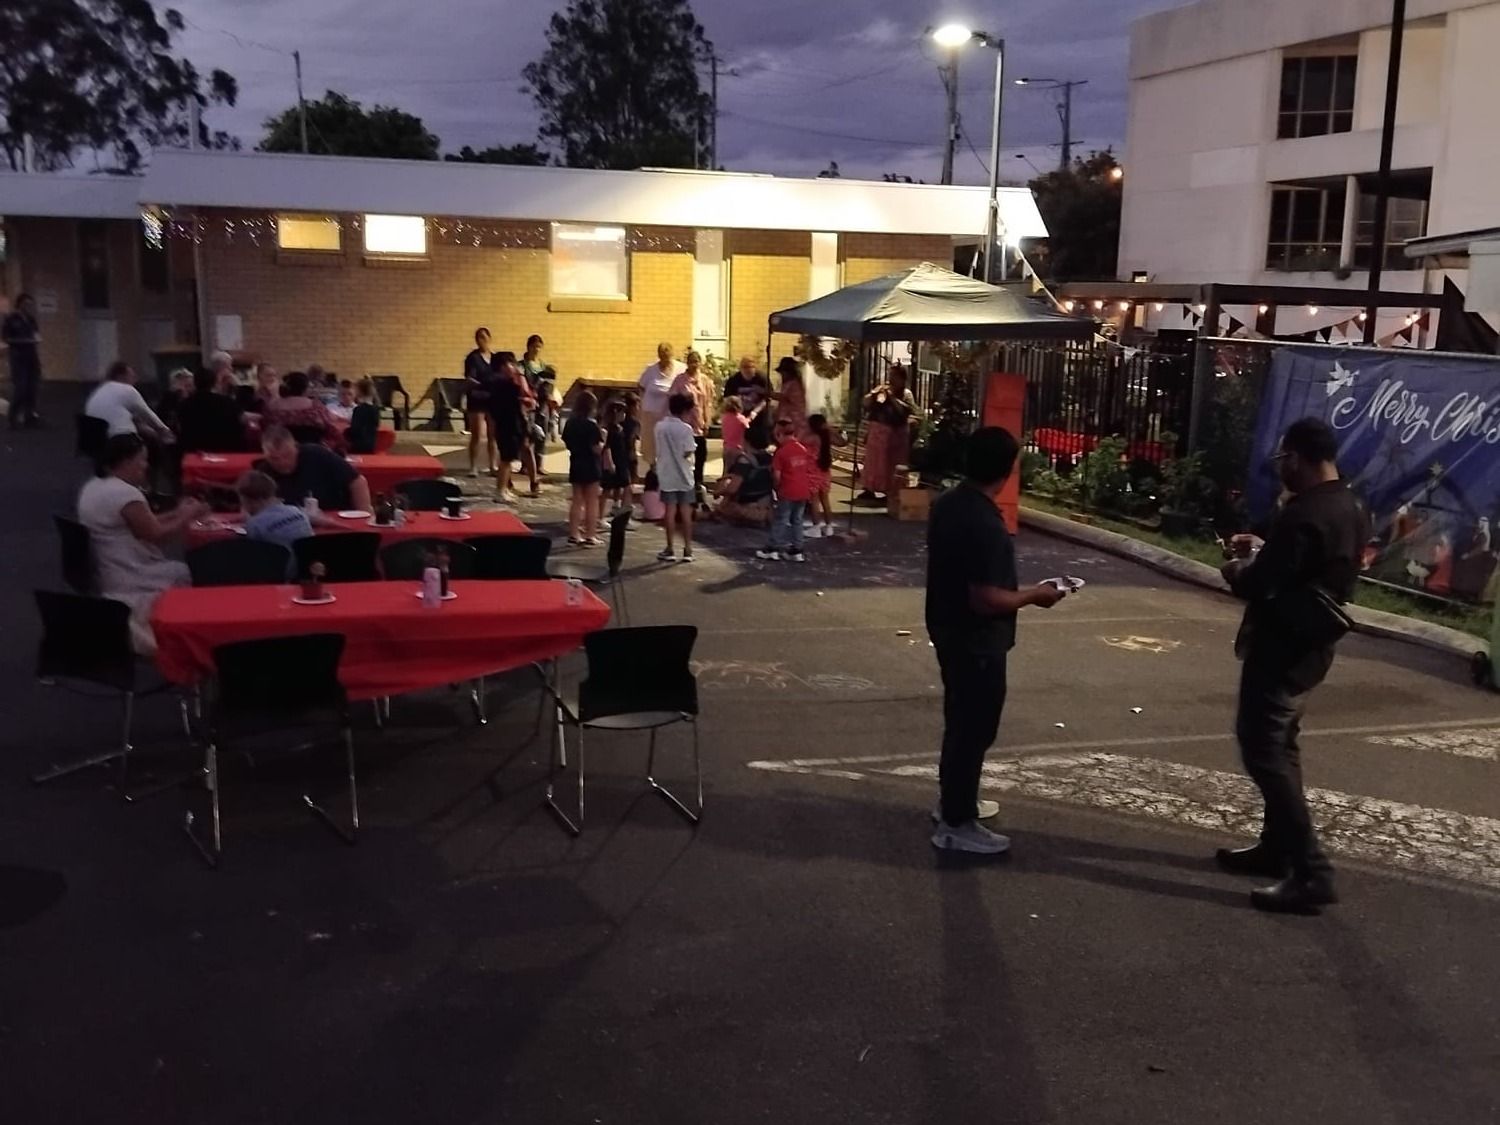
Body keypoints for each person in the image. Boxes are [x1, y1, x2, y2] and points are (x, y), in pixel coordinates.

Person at [1216, 417, 1370, 914]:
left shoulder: (1303, 514)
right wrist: (1263, 553)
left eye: (1283, 460)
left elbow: (1262, 584)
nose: (1281, 468)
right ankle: (1277, 847)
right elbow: (1302, 568)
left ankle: (1311, 870)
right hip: (1312, 648)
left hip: (1280, 649)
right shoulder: (1348, 505)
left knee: (1264, 751)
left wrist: (1237, 569)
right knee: (1283, 747)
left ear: (1299, 458)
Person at [926, 428, 1065, 854]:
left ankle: (955, 801)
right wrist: (1035, 594)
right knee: (974, 728)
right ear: (1007, 470)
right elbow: (986, 598)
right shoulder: (986, 524)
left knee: (960, 722)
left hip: (948, 629)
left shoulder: (948, 504)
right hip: (976, 640)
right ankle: (956, 822)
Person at [77, 433, 204, 654]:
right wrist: (188, 516)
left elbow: (142, 524)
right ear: (127, 462)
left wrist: (178, 512)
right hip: (127, 572)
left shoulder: (95, 486)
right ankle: (185, 637)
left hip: (106, 567)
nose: (145, 466)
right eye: (142, 460)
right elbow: (157, 535)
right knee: (189, 572)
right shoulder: (125, 494)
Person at [256, 424, 371, 514]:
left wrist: (363, 517)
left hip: (333, 517)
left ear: (296, 446)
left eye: (287, 455)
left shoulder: (316, 454)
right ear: (265, 455)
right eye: (274, 458)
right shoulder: (263, 472)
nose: (282, 462)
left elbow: (358, 482)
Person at [236, 469, 315, 578]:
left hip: (280, 573)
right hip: (310, 569)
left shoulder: (255, 524)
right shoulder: (296, 511)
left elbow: (253, 556)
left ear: (249, 501)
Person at [756, 417, 814, 563]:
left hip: (788, 490)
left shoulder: (781, 452)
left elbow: (777, 475)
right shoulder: (802, 449)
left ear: (780, 434)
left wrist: (776, 489)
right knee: (797, 520)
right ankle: (797, 549)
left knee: (781, 519)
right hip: (803, 490)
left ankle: (773, 548)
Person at [859, 363, 919, 501]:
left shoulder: (906, 394)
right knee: (874, 462)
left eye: (894, 376)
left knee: (891, 463)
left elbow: (906, 411)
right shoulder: (882, 390)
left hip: (896, 433)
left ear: (902, 379)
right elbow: (866, 403)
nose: (891, 379)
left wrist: (892, 397)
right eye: (890, 375)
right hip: (879, 431)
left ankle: (891, 491)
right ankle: (869, 488)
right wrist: (874, 393)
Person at [654, 392, 698, 563]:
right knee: (686, 513)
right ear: (686, 411)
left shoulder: (660, 426)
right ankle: (688, 549)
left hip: (666, 474)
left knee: (669, 512)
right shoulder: (686, 429)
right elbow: (688, 450)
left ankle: (670, 548)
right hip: (685, 475)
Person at [487, 351, 536, 502]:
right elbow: (520, 395)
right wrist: (520, 378)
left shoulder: (503, 382)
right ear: (502, 367)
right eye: (510, 364)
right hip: (507, 424)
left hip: (511, 422)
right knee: (506, 459)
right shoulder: (503, 383)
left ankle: (504, 489)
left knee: (508, 459)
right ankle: (500, 491)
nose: (513, 367)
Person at [84, 360, 173, 441]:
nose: (135, 380)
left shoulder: (99, 390)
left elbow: (135, 419)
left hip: (96, 441)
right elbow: (147, 415)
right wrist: (166, 431)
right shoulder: (127, 389)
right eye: (132, 376)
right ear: (121, 377)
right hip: (120, 439)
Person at [670, 349, 716, 502]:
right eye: (691, 362)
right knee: (685, 455)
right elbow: (673, 398)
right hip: (684, 423)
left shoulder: (705, 381)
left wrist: (708, 420)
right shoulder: (680, 380)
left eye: (696, 362)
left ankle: (698, 483)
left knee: (701, 455)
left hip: (700, 423)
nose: (694, 365)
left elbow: (708, 402)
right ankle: (683, 482)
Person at [563, 390, 605, 546]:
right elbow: (596, 448)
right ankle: (590, 534)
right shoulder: (592, 425)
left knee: (576, 500)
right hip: (591, 464)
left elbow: (567, 442)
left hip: (576, 461)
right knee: (591, 502)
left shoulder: (570, 423)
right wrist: (603, 442)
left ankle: (574, 533)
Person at [712, 428, 774, 528]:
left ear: (747, 441)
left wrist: (718, 492)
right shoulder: (769, 458)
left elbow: (732, 489)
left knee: (726, 490)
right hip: (765, 502)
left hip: (747, 504)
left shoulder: (745, 460)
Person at [176, 367, 246, 452]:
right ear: (214, 382)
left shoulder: (184, 404)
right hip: (226, 451)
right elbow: (241, 423)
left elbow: (181, 429)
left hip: (194, 452)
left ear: (195, 383)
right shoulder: (227, 402)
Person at [637, 342, 683, 469]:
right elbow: (641, 386)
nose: (664, 360)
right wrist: (642, 403)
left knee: (669, 443)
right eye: (662, 356)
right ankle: (653, 469)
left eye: (667, 357)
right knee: (652, 444)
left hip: (671, 414)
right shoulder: (651, 370)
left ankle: (668, 468)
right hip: (651, 413)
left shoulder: (680, 369)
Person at [3, 292, 43, 429]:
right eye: (26, 304)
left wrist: (36, 339)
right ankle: (13, 418)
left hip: (32, 357)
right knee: (20, 388)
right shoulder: (11, 319)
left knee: (32, 389)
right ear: (19, 304)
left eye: (30, 305)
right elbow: (6, 338)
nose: (29, 307)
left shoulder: (31, 320)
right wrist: (24, 341)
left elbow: (36, 334)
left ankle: (29, 416)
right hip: (18, 358)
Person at [265, 370, 339, 442]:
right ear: (305, 389)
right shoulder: (315, 406)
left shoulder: (272, 407)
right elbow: (328, 426)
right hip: (312, 448)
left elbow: (265, 428)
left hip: (279, 447)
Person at [464, 327, 498, 478]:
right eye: (478, 338)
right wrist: (483, 384)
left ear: (489, 339)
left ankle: (493, 465)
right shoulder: (473, 358)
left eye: (484, 337)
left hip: (492, 399)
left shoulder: (495, 359)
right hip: (477, 398)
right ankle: (473, 466)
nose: (481, 341)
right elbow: (469, 378)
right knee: (477, 434)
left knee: (493, 434)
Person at [806, 413, 846, 538]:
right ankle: (829, 526)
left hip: (813, 471)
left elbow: (798, 440)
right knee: (825, 499)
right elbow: (842, 442)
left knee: (814, 500)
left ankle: (816, 527)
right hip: (825, 470)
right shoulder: (826, 437)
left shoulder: (812, 438)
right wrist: (830, 429)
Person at [724, 355, 771, 448]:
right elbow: (728, 399)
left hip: (759, 420)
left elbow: (767, 398)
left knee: (759, 447)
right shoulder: (734, 380)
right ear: (740, 368)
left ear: (755, 367)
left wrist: (754, 413)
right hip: (739, 419)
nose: (748, 370)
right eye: (745, 367)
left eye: (750, 367)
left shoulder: (761, 378)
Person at [520, 334, 558, 442]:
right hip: (531, 393)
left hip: (543, 397)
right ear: (528, 347)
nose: (536, 349)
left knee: (548, 384)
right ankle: (550, 420)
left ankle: (551, 420)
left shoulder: (542, 365)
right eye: (534, 346)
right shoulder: (523, 364)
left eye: (539, 347)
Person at [601, 398, 633, 515]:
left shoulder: (620, 428)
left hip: (621, 460)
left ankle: (617, 508)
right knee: (608, 489)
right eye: (622, 412)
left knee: (621, 486)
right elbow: (607, 446)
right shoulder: (610, 429)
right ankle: (601, 516)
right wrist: (610, 462)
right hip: (614, 461)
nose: (624, 415)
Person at [773, 355, 808, 438]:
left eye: (783, 372)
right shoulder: (787, 384)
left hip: (793, 421)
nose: (782, 375)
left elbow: (783, 397)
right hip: (786, 420)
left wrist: (767, 393)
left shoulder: (794, 384)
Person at [345, 379, 381, 455]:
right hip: (371, 444)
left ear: (359, 391)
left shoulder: (358, 409)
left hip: (357, 445)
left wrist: (345, 432)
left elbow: (355, 429)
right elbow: (376, 425)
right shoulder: (376, 409)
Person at [720, 395, 747, 460]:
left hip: (726, 447)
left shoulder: (724, 417)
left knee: (727, 468)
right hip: (737, 448)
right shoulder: (741, 418)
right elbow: (747, 426)